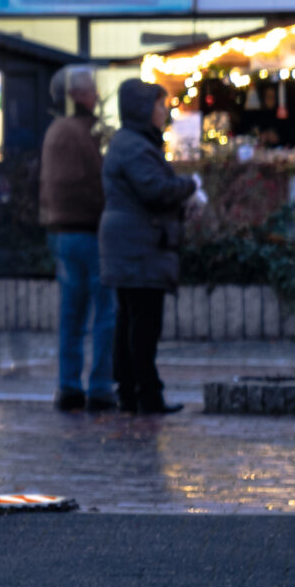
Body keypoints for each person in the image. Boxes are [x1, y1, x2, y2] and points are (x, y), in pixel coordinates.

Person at [99, 78, 202, 415]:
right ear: (144, 109)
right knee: (143, 323)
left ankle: (133, 392)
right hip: (138, 245)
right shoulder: (135, 146)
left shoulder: (133, 143)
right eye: (160, 106)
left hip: (135, 242)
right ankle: (144, 394)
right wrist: (190, 185)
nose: (164, 111)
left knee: (132, 319)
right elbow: (155, 189)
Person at [40, 64, 117, 412]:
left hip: (62, 232)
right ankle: (100, 386)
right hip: (90, 231)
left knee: (71, 314)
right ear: (76, 95)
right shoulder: (83, 132)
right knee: (105, 313)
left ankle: (68, 385)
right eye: (89, 90)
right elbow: (98, 181)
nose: (96, 96)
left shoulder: (54, 131)